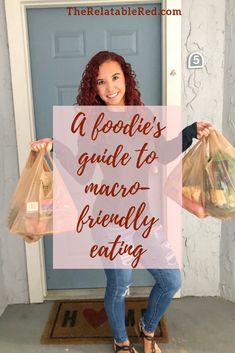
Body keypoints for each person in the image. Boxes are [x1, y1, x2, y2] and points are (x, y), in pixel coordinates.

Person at [31, 51, 214, 353]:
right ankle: (121, 341)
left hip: (142, 216)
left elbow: (163, 154)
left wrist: (190, 132)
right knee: (120, 285)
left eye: (115, 78)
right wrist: (55, 146)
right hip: (109, 219)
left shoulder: (143, 116)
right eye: (101, 82)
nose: (110, 87)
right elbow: (82, 173)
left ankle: (147, 327)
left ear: (126, 77)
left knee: (170, 280)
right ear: (94, 88)